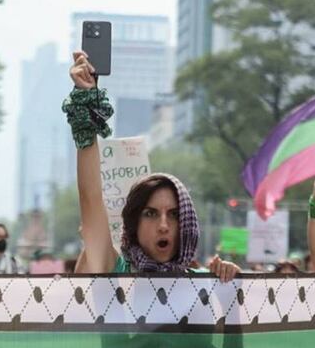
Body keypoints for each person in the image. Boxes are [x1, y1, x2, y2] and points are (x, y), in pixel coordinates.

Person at [66, 50, 239, 281]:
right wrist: (86, 101)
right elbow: (90, 196)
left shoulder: (206, 283)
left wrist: (233, 284)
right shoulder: (113, 271)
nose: (164, 225)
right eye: (150, 214)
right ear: (133, 223)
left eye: (175, 214)